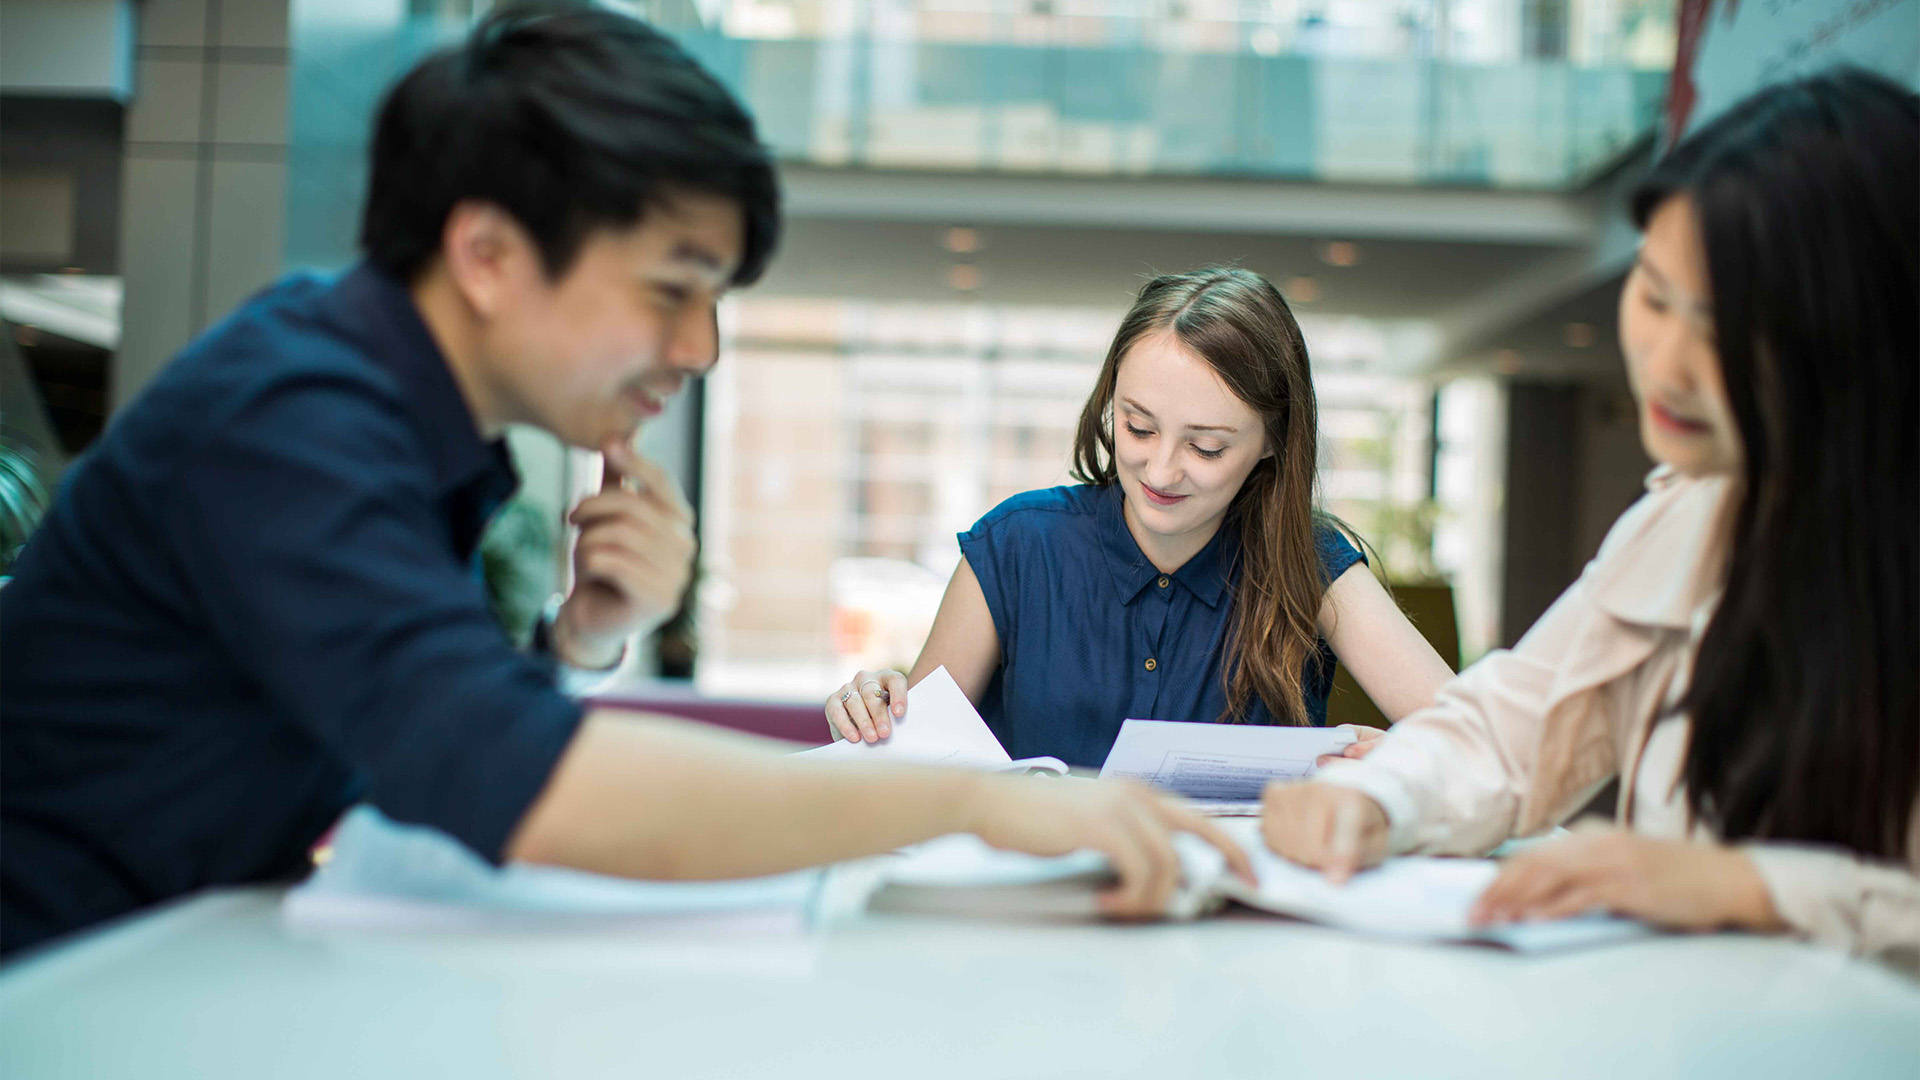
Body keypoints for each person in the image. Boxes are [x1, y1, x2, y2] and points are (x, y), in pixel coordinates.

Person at [0, 6, 1250, 958]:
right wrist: (990, 809)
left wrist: (581, 635)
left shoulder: (396, 423)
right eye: (671, 289)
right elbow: (517, 784)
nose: (700, 349)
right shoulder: (294, 418)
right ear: (487, 252)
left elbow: (410, 732)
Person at [1263, 70, 1918, 961]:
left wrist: (1751, 886)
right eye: (1653, 296)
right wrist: (1378, 803)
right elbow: (1512, 725)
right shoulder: (1691, 513)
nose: (1666, 363)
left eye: (1726, 328)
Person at [825, 268, 1457, 768]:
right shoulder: (1019, 545)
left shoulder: (1312, 564)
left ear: (1272, 442)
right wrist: (877, 710)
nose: (1159, 471)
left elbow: (1477, 741)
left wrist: (1411, 760)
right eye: (1138, 427)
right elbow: (911, 759)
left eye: (1206, 447)